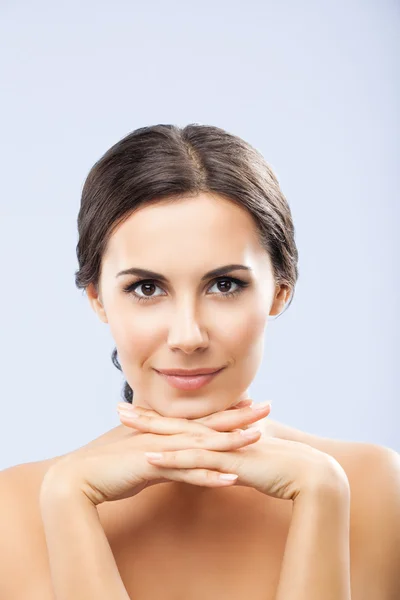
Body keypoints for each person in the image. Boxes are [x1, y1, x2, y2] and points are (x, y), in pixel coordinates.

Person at [0, 123, 398, 600]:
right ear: (98, 298)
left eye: (224, 285)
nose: (188, 336)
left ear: (279, 290)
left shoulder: (375, 487)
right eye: (146, 288)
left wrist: (323, 497)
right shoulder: (16, 509)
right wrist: (68, 502)